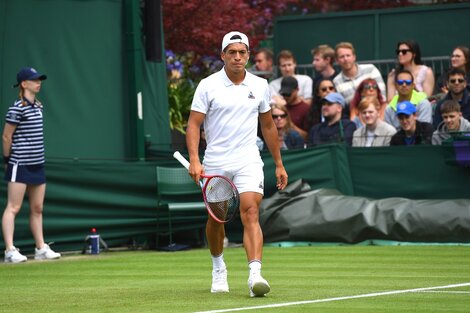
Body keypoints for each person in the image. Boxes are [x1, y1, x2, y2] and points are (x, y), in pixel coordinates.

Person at [185, 31, 288, 297]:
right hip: (216, 161)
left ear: (248, 56)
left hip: (248, 159)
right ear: (223, 55)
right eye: (232, 52)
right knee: (216, 218)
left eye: (242, 52)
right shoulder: (207, 85)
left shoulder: (260, 85)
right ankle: (218, 267)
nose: (238, 57)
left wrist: (279, 163)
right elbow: (194, 124)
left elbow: (268, 126)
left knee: (250, 211)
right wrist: (195, 159)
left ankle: (255, 275)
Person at [2, 67, 61, 263]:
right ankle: (10, 250)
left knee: (37, 208)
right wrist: (7, 160)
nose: (38, 82)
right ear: (24, 84)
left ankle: (40, 248)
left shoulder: (39, 106)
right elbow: (6, 136)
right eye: (34, 80)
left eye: (39, 79)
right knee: (14, 207)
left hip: (38, 163)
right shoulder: (16, 108)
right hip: (20, 163)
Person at [333, 42, 386, 110]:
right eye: (342, 57)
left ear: (354, 57)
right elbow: (343, 106)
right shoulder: (336, 81)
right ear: (337, 61)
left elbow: (382, 95)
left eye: (348, 55)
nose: (345, 59)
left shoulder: (370, 69)